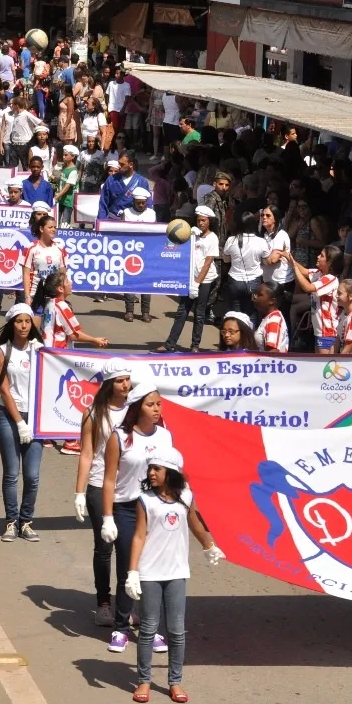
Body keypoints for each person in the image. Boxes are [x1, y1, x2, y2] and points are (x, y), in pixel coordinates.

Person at [126, 447, 225, 704]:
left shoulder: (186, 497)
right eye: (150, 469)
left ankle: (175, 681)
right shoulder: (145, 500)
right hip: (150, 571)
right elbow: (139, 535)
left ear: (170, 471)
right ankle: (144, 681)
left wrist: (209, 545)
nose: (151, 473)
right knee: (148, 628)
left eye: (157, 468)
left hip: (177, 571)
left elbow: (195, 523)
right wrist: (133, 571)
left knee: (177, 630)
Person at [101, 382, 173, 653]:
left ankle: (150, 628)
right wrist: (108, 516)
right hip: (127, 509)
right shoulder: (119, 437)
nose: (156, 409)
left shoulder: (165, 436)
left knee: (152, 572)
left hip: (155, 508)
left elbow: (170, 475)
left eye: (159, 404)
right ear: (137, 407)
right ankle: (121, 627)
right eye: (150, 404)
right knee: (128, 570)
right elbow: (109, 480)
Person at [74, 360, 134, 627]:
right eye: (120, 380)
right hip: (99, 486)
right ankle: (104, 603)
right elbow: (87, 453)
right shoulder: (93, 413)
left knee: (128, 548)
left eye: (127, 380)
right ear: (110, 384)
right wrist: (80, 491)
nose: (126, 385)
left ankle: (124, 605)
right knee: (105, 547)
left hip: (129, 487)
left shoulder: (135, 411)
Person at [0, 305, 44, 542]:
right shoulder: (3, 350)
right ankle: (11, 521)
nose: (23, 326)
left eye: (27, 321)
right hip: (9, 417)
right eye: (19, 321)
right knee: (12, 473)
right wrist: (20, 422)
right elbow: (4, 389)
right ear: (11, 324)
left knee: (32, 476)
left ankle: (26, 521)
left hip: (36, 418)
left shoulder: (40, 350)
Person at [159, 206, 217, 352]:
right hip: (189, 278)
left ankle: (195, 345)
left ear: (209, 221)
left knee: (199, 313)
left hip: (204, 280)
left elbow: (207, 263)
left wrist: (197, 284)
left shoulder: (212, 238)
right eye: (198, 220)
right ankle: (170, 344)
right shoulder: (192, 234)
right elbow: (175, 246)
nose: (201, 223)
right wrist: (190, 235)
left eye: (203, 220)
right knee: (182, 311)